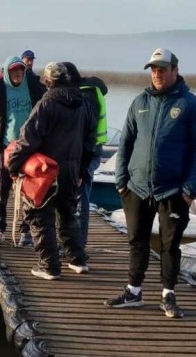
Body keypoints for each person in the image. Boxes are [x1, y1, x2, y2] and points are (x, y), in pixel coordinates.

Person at [106, 48, 196, 318]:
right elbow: (125, 142)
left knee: (169, 244)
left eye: (162, 69)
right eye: (153, 69)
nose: (157, 74)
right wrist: (121, 182)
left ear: (175, 70)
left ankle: (168, 294)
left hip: (174, 190)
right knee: (136, 240)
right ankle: (134, 292)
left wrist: (190, 190)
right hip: (137, 187)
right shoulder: (140, 102)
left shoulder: (189, 104)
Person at [6, 62, 94, 281]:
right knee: (67, 213)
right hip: (72, 169)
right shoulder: (83, 104)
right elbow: (89, 141)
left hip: (46, 171)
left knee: (39, 216)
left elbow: (28, 138)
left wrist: (13, 165)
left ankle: (49, 266)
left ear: (49, 81)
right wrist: (82, 169)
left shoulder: (47, 103)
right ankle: (77, 260)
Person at [0, 56, 45, 246]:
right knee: (1, 191)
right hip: (5, 149)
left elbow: (47, 117)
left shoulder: (35, 89)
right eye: (14, 70)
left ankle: (26, 232)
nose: (18, 73)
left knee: (29, 193)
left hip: (30, 149)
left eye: (21, 70)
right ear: (6, 71)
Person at [77, 70, 109, 246]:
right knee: (81, 198)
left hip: (87, 152)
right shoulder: (92, 92)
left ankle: (78, 245)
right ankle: (75, 243)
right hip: (93, 150)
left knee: (81, 199)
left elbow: (87, 131)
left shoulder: (86, 95)